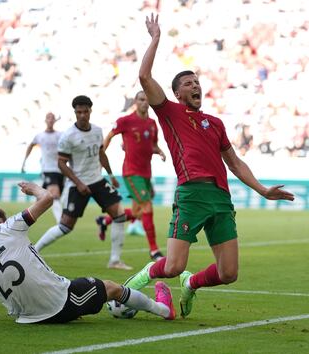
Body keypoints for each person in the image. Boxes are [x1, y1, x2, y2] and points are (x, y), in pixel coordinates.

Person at [124, 14, 295, 318]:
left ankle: (191, 283)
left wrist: (262, 190)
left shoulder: (215, 124)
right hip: (191, 196)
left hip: (220, 198)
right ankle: (151, 272)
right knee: (173, 264)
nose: (195, 86)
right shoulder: (170, 113)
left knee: (229, 273)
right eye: (188, 83)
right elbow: (145, 79)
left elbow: (235, 163)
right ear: (177, 93)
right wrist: (155, 39)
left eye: (197, 83)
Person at [0, 182, 176, 323]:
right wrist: (33, 189)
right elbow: (47, 198)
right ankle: (164, 310)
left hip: (25, 317)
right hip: (58, 304)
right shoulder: (8, 227)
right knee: (112, 288)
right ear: (1, 221)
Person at [34, 95, 132, 270]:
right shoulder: (68, 136)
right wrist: (78, 183)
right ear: (75, 113)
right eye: (79, 112)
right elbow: (61, 163)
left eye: (85, 111)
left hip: (98, 181)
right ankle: (35, 250)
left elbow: (101, 154)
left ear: (90, 111)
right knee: (65, 226)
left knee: (119, 215)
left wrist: (111, 175)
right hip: (77, 185)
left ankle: (114, 260)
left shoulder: (96, 130)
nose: (82, 115)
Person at [96, 91, 166, 262]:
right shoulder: (125, 121)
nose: (144, 103)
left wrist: (160, 152)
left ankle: (104, 221)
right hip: (131, 172)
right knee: (147, 208)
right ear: (135, 101)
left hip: (146, 174)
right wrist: (101, 157)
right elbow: (110, 136)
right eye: (141, 99)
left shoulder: (152, 123)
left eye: (147, 100)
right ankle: (154, 250)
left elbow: (153, 145)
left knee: (138, 212)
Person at [21, 112, 64, 223]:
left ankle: (25, 219)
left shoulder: (60, 135)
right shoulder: (40, 136)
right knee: (54, 194)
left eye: (52, 118)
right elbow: (30, 145)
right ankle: (61, 222)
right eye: (48, 118)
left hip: (61, 170)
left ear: (55, 120)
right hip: (48, 170)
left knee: (41, 198)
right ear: (45, 120)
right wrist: (24, 162)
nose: (50, 120)